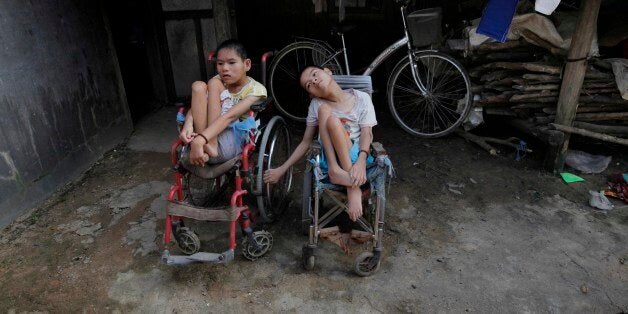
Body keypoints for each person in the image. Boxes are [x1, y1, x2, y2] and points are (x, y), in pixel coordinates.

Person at [264, 66, 377, 222]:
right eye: (309, 85)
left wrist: (361, 160)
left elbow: (367, 133)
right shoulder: (316, 105)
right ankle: (348, 183)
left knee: (331, 119)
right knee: (325, 111)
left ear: (328, 71)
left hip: (356, 157)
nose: (314, 81)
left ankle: (346, 181)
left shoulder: (362, 98)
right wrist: (282, 169)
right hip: (329, 158)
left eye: (314, 74)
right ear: (312, 94)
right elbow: (306, 142)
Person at [179, 39, 266, 166]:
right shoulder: (219, 80)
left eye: (231, 63)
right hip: (203, 138)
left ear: (247, 64)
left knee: (213, 83)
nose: (225, 68)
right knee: (198, 86)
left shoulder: (256, 90)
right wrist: (188, 124)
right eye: (220, 63)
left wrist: (200, 140)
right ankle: (207, 144)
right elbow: (201, 102)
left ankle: (209, 144)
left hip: (231, 141)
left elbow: (229, 116)